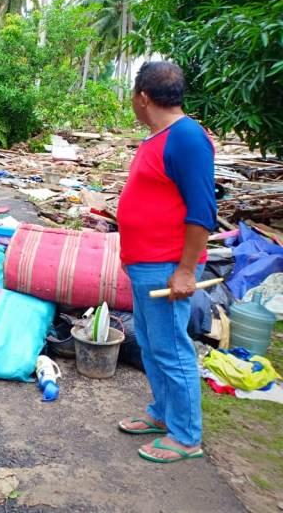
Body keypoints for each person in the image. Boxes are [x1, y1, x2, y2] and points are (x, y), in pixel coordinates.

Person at [116, 61, 216, 464]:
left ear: (142, 97)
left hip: (166, 266)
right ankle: (162, 415)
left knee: (173, 349)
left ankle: (187, 436)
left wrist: (187, 269)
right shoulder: (159, 137)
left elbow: (202, 211)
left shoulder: (187, 137)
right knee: (154, 345)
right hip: (144, 264)